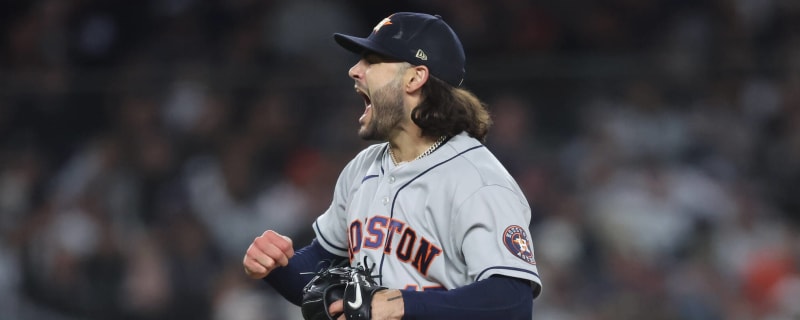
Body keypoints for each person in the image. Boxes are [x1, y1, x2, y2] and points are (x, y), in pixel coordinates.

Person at [243, 12, 542, 319]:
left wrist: (403, 305)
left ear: (415, 77)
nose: (354, 71)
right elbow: (320, 266)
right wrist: (277, 265)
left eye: (372, 61)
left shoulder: (477, 181)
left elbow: (512, 301)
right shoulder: (362, 168)